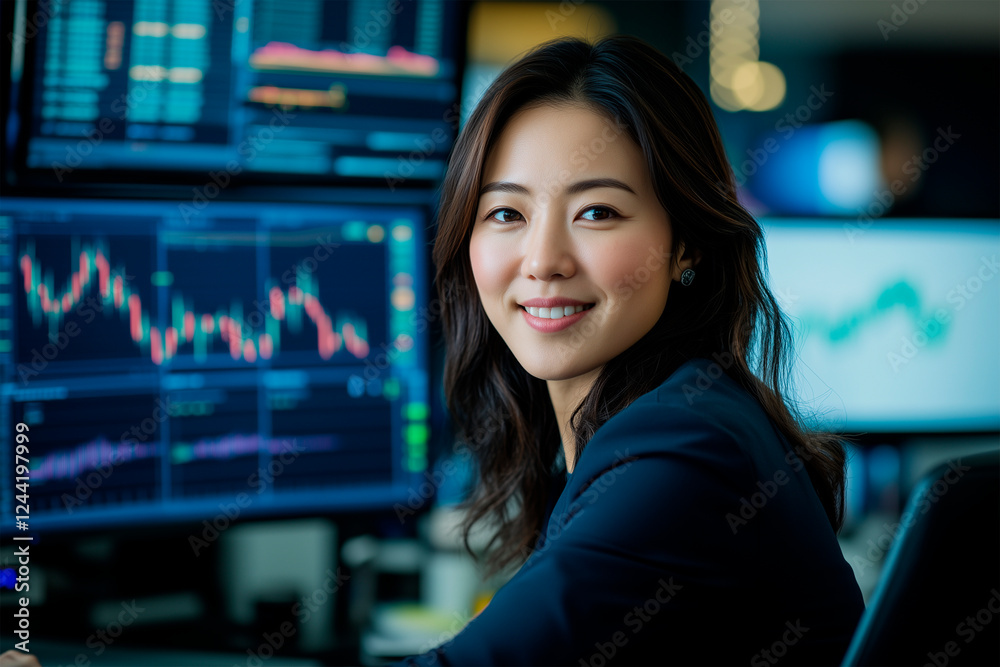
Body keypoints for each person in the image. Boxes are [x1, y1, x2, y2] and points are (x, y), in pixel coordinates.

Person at [394, 35, 865, 666]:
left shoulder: (685, 454)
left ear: (687, 245)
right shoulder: (670, 418)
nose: (542, 262)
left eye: (596, 212)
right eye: (506, 214)